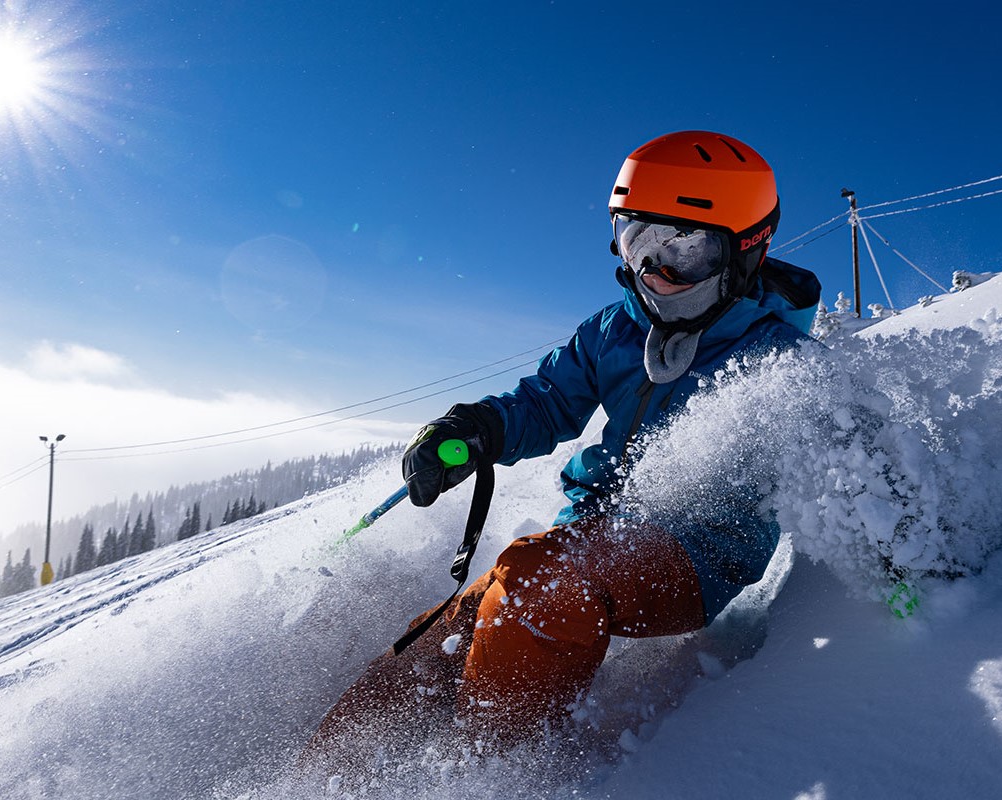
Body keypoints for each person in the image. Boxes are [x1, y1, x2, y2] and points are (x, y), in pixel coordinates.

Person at [309, 130, 821, 760]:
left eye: (681, 251)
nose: (653, 275)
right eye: (638, 242)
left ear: (745, 251)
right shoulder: (617, 326)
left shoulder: (781, 363)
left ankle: (487, 773)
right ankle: (323, 770)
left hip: (698, 552)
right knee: (453, 626)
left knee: (538, 581)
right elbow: (547, 399)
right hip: (582, 538)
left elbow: (860, 460)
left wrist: (908, 546)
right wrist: (476, 429)